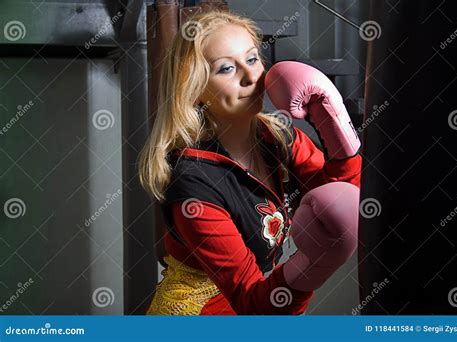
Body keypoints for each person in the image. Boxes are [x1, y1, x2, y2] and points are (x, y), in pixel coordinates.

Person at [138, 10, 362, 315]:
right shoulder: (194, 182)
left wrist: (332, 122)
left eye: (253, 59)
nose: (250, 76)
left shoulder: (277, 136)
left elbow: (346, 201)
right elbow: (252, 304)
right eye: (227, 68)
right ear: (196, 91)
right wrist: (314, 264)